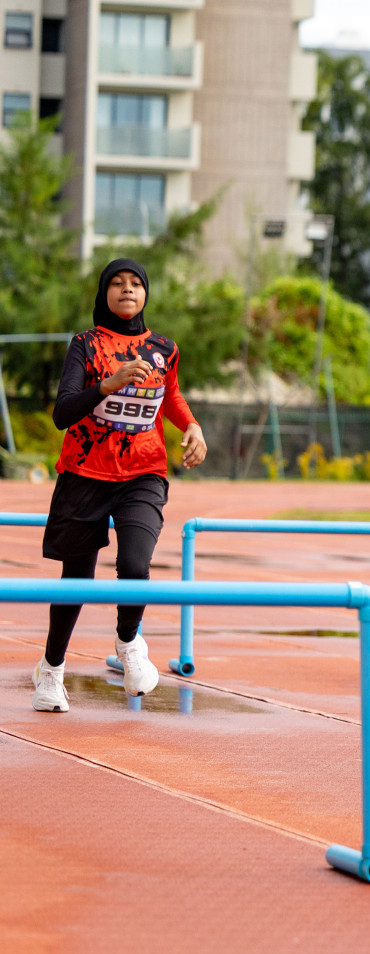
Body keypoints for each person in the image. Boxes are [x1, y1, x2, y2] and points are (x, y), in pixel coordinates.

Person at [33, 258, 209, 712]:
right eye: (117, 283)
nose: (127, 290)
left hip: (143, 472)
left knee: (135, 563)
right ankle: (51, 670)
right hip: (85, 473)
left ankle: (129, 644)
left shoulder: (163, 348)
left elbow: (170, 396)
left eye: (135, 283)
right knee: (76, 577)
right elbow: (62, 413)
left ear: (146, 293)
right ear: (104, 293)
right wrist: (107, 384)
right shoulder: (85, 345)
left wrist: (191, 425)